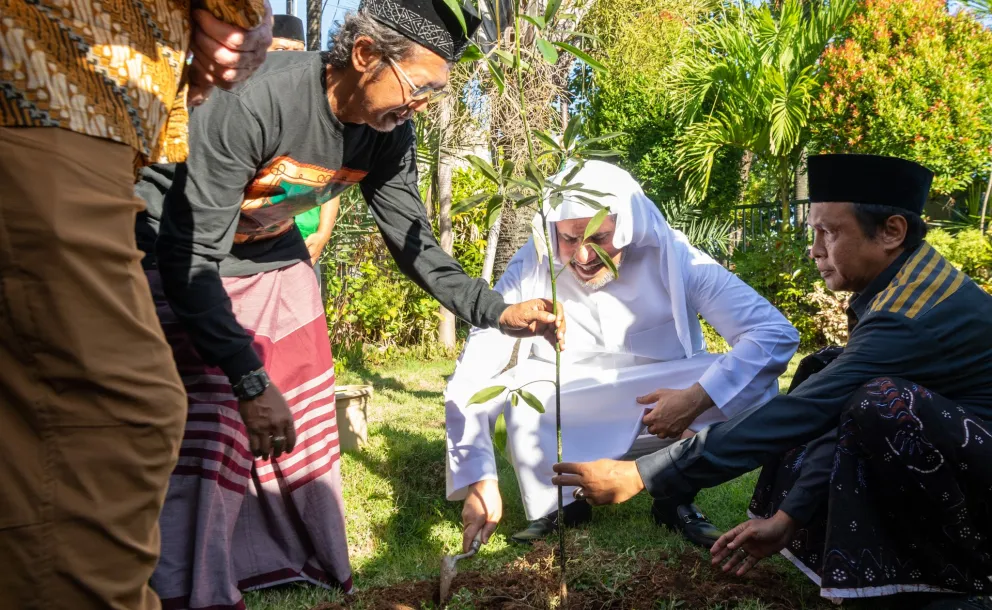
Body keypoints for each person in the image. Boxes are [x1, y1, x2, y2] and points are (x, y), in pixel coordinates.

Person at [135, 1, 565, 607]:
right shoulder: (255, 101)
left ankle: (291, 556)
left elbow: (412, 239)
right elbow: (191, 259)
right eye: (418, 87)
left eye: (433, 96)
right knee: (222, 415)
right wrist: (250, 380)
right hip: (173, 254)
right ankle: (190, 580)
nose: (419, 105)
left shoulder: (387, 131)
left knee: (302, 412)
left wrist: (495, 310)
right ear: (364, 56)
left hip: (269, 255)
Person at [552, 154, 992, 609]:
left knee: (878, 401)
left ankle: (955, 582)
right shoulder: (900, 286)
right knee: (828, 374)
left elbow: (807, 413)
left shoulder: (907, 316)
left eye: (830, 232)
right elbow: (836, 414)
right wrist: (790, 516)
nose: (815, 249)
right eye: (814, 232)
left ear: (892, 232)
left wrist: (642, 473)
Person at [0, 2, 274, 609]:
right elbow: (194, 251)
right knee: (118, 418)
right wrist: (243, 15)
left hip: (74, 116)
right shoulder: (264, 106)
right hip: (48, 90)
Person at [446, 161, 799, 552]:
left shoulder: (675, 255)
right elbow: (476, 366)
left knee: (756, 390)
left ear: (628, 225)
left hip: (662, 399)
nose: (582, 256)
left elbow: (775, 334)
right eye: (567, 238)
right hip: (570, 395)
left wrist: (696, 397)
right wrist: (479, 478)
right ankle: (559, 505)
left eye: (601, 237)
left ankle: (673, 495)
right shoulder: (534, 261)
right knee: (517, 389)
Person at [267, 13, 342, 299]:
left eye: (297, 52)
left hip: (305, 241)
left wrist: (323, 233)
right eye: (281, 50)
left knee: (303, 327)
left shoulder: (314, 111)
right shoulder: (248, 104)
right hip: (255, 243)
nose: (290, 59)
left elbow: (333, 181)